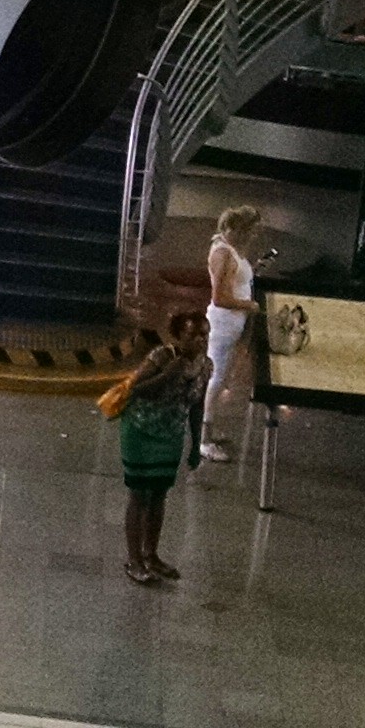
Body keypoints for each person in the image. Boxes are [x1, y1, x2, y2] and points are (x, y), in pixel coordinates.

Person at [113, 316, 206, 588]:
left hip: (170, 436)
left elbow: (197, 406)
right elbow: (132, 390)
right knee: (139, 495)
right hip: (140, 431)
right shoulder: (161, 357)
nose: (200, 340)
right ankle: (134, 560)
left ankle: (151, 555)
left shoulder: (205, 366)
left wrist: (196, 444)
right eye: (193, 335)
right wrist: (166, 376)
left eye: (204, 334)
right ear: (178, 336)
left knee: (158, 496)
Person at [200, 206, 265, 461]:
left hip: (233, 324)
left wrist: (253, 269)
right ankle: (204, 440)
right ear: (239, 229)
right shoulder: (223, 253)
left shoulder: (231, 250)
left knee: (221, 378)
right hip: (224, 325)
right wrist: (250, 305)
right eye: (252, 231)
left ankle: (208, 428)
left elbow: (236, 281)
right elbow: (220, 298)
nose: (253, 237)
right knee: (215, 379)